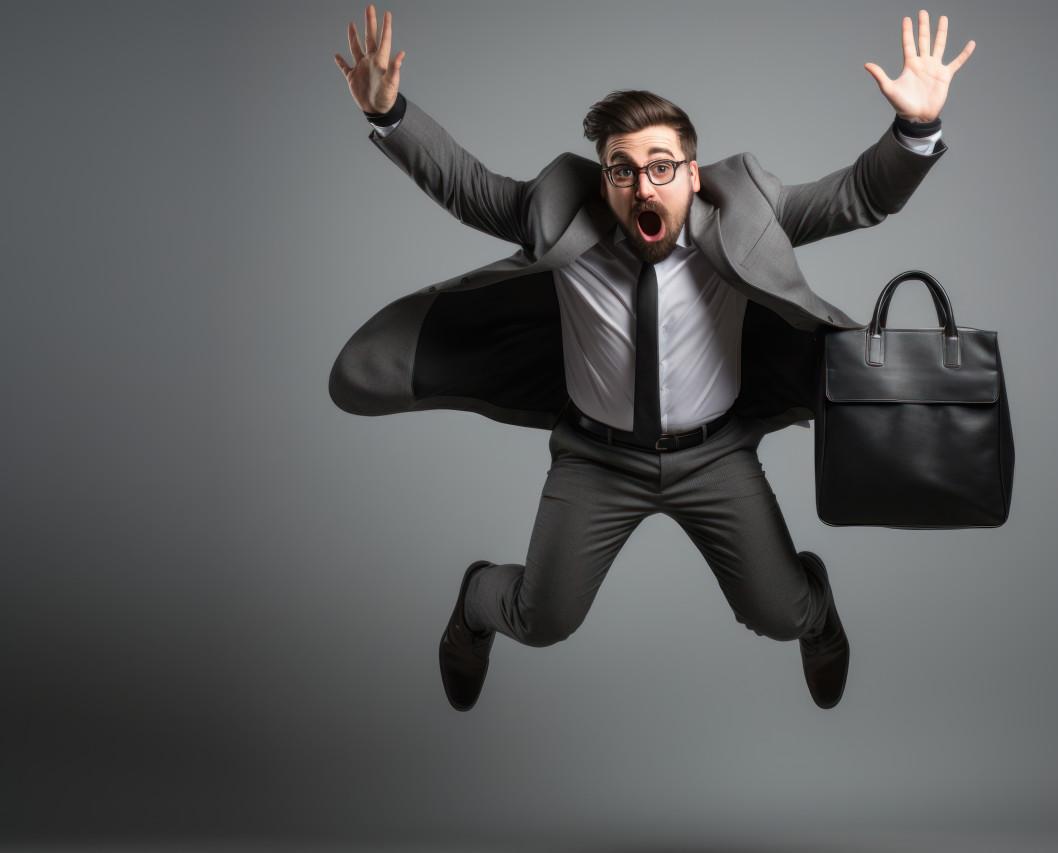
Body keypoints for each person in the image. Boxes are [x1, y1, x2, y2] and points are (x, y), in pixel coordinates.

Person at [331, 6, 973, 711]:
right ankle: (475, 598)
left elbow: (857, 196)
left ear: (692, 175)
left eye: (661, 166)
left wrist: (914, 130)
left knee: (782, 613)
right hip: (596, 458)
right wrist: (389, 113)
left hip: (715, 454)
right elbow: (465, 184)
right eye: (623, 170)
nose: (643, 186)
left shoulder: (746, 211)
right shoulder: (561, 214)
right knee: (541, 621)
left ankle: (816, 613)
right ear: (604, 181)